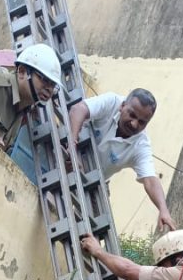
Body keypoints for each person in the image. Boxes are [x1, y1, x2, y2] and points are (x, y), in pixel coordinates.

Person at [68, 89, 175, 232]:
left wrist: (163, 209)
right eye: (132, 115)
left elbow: (150, 180)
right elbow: (78, 109)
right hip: (76, 155)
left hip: (96, 182)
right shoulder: (111, 102)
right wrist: (71, 145)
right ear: (122, 105)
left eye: (142, 122)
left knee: (97, 227)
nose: (134, 124)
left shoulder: (141, 145)